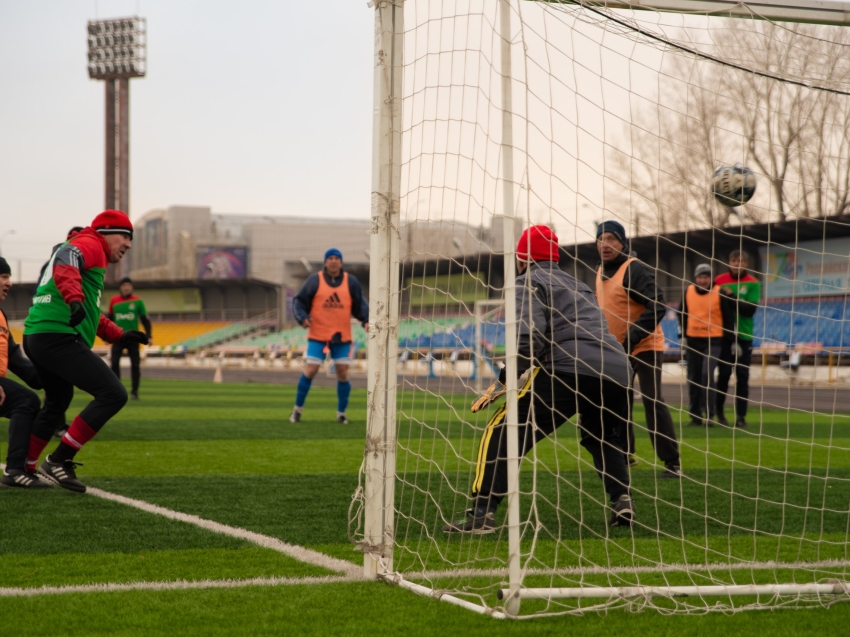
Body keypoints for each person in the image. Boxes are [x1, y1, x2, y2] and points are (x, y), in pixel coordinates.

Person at [442, 225, 635, 534]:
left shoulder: (526, 281)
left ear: (521, 258)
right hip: (617, 371)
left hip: (569, 367)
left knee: (503, 429)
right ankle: (622, 498)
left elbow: (529, 336)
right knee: (600, 434)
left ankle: (482, 512)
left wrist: (506, 377)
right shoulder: (578, 284)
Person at [22, 210, 149, 493]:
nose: (128, 244)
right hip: (58, 335)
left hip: (38, 334)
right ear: (105, 232)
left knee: (58, 400)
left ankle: (23, 466)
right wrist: (74, 299)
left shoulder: (83, 249)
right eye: (125, 236)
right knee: (113, 394)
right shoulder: (90, 243)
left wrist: (119, 334)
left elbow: (90, 310)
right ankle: (59, 460)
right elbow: (70, 258)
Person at [595, 220, 681, 479]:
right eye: (601, 239)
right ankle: (624, 454)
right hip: (616, 348)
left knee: (652, 400)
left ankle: (672, 462)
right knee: (616, 401)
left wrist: (632, 336)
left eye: (611, 239)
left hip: (645, 346)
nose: (605, 244)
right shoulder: (599, 270)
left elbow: (658, 304)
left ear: (623, 243)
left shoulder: (634, 269)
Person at [290, 248, 369, 424]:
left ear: (341, 262)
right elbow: (299, 301)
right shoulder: (314, 280)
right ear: (325, 262)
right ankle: (297, 410)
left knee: (342, 372)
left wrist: (366, 320)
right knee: (311, 370)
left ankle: (341, 413)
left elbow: (360, 305)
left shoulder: (351, 282)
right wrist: (302, 318)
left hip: (342, 336)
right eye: (330, 258)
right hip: (318, 334)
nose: (333, 261)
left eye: (336, 258)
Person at [0, 257, 50, 489]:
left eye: (9, 276)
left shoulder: (1, 316)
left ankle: (16, 470)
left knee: (27, 400)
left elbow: (17, 361)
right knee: (25, 401)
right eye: (3, 276)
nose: (9, 282)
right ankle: (15, 470)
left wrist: (50, 380)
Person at [679, 263, 730, 427]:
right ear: (695, 278)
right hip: (693, 340)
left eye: (706, 277)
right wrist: (683, 336)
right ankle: (695, 416)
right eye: (700, 277)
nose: (703, 280)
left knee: (706, 375)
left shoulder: (719, 293)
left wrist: (733, 341)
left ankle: (710, 414)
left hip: (714, 340)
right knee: (693, 378)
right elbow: (682, 313)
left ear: (711, 278)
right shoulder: (688, 291)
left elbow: (728, 319)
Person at [714, 250, 760, 428]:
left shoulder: (753, 283)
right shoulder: (719, 280)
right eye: (733, 260)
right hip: (724, 335)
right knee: (723, 374)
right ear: (729, 262)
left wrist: (731, 297)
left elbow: (750, 310)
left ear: (746, 264)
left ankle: (741, 417)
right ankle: (719, 413)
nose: (737, 263)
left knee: (742, 376)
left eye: (741, 261)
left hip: (744, 336)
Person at [108, 277, 152, 400]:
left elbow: (145, 320)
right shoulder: (114, 301)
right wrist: (107, 335)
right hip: (118, 337)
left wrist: (149, 336)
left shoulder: (138, 301)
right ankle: (117, 391)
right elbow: (109, 320)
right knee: (114, 364)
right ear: (120, 287)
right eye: (124, 285)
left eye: (129, 285)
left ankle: (134, 392)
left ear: (131, 287)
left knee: (135, 366)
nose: (126, 287)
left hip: (133, 338)